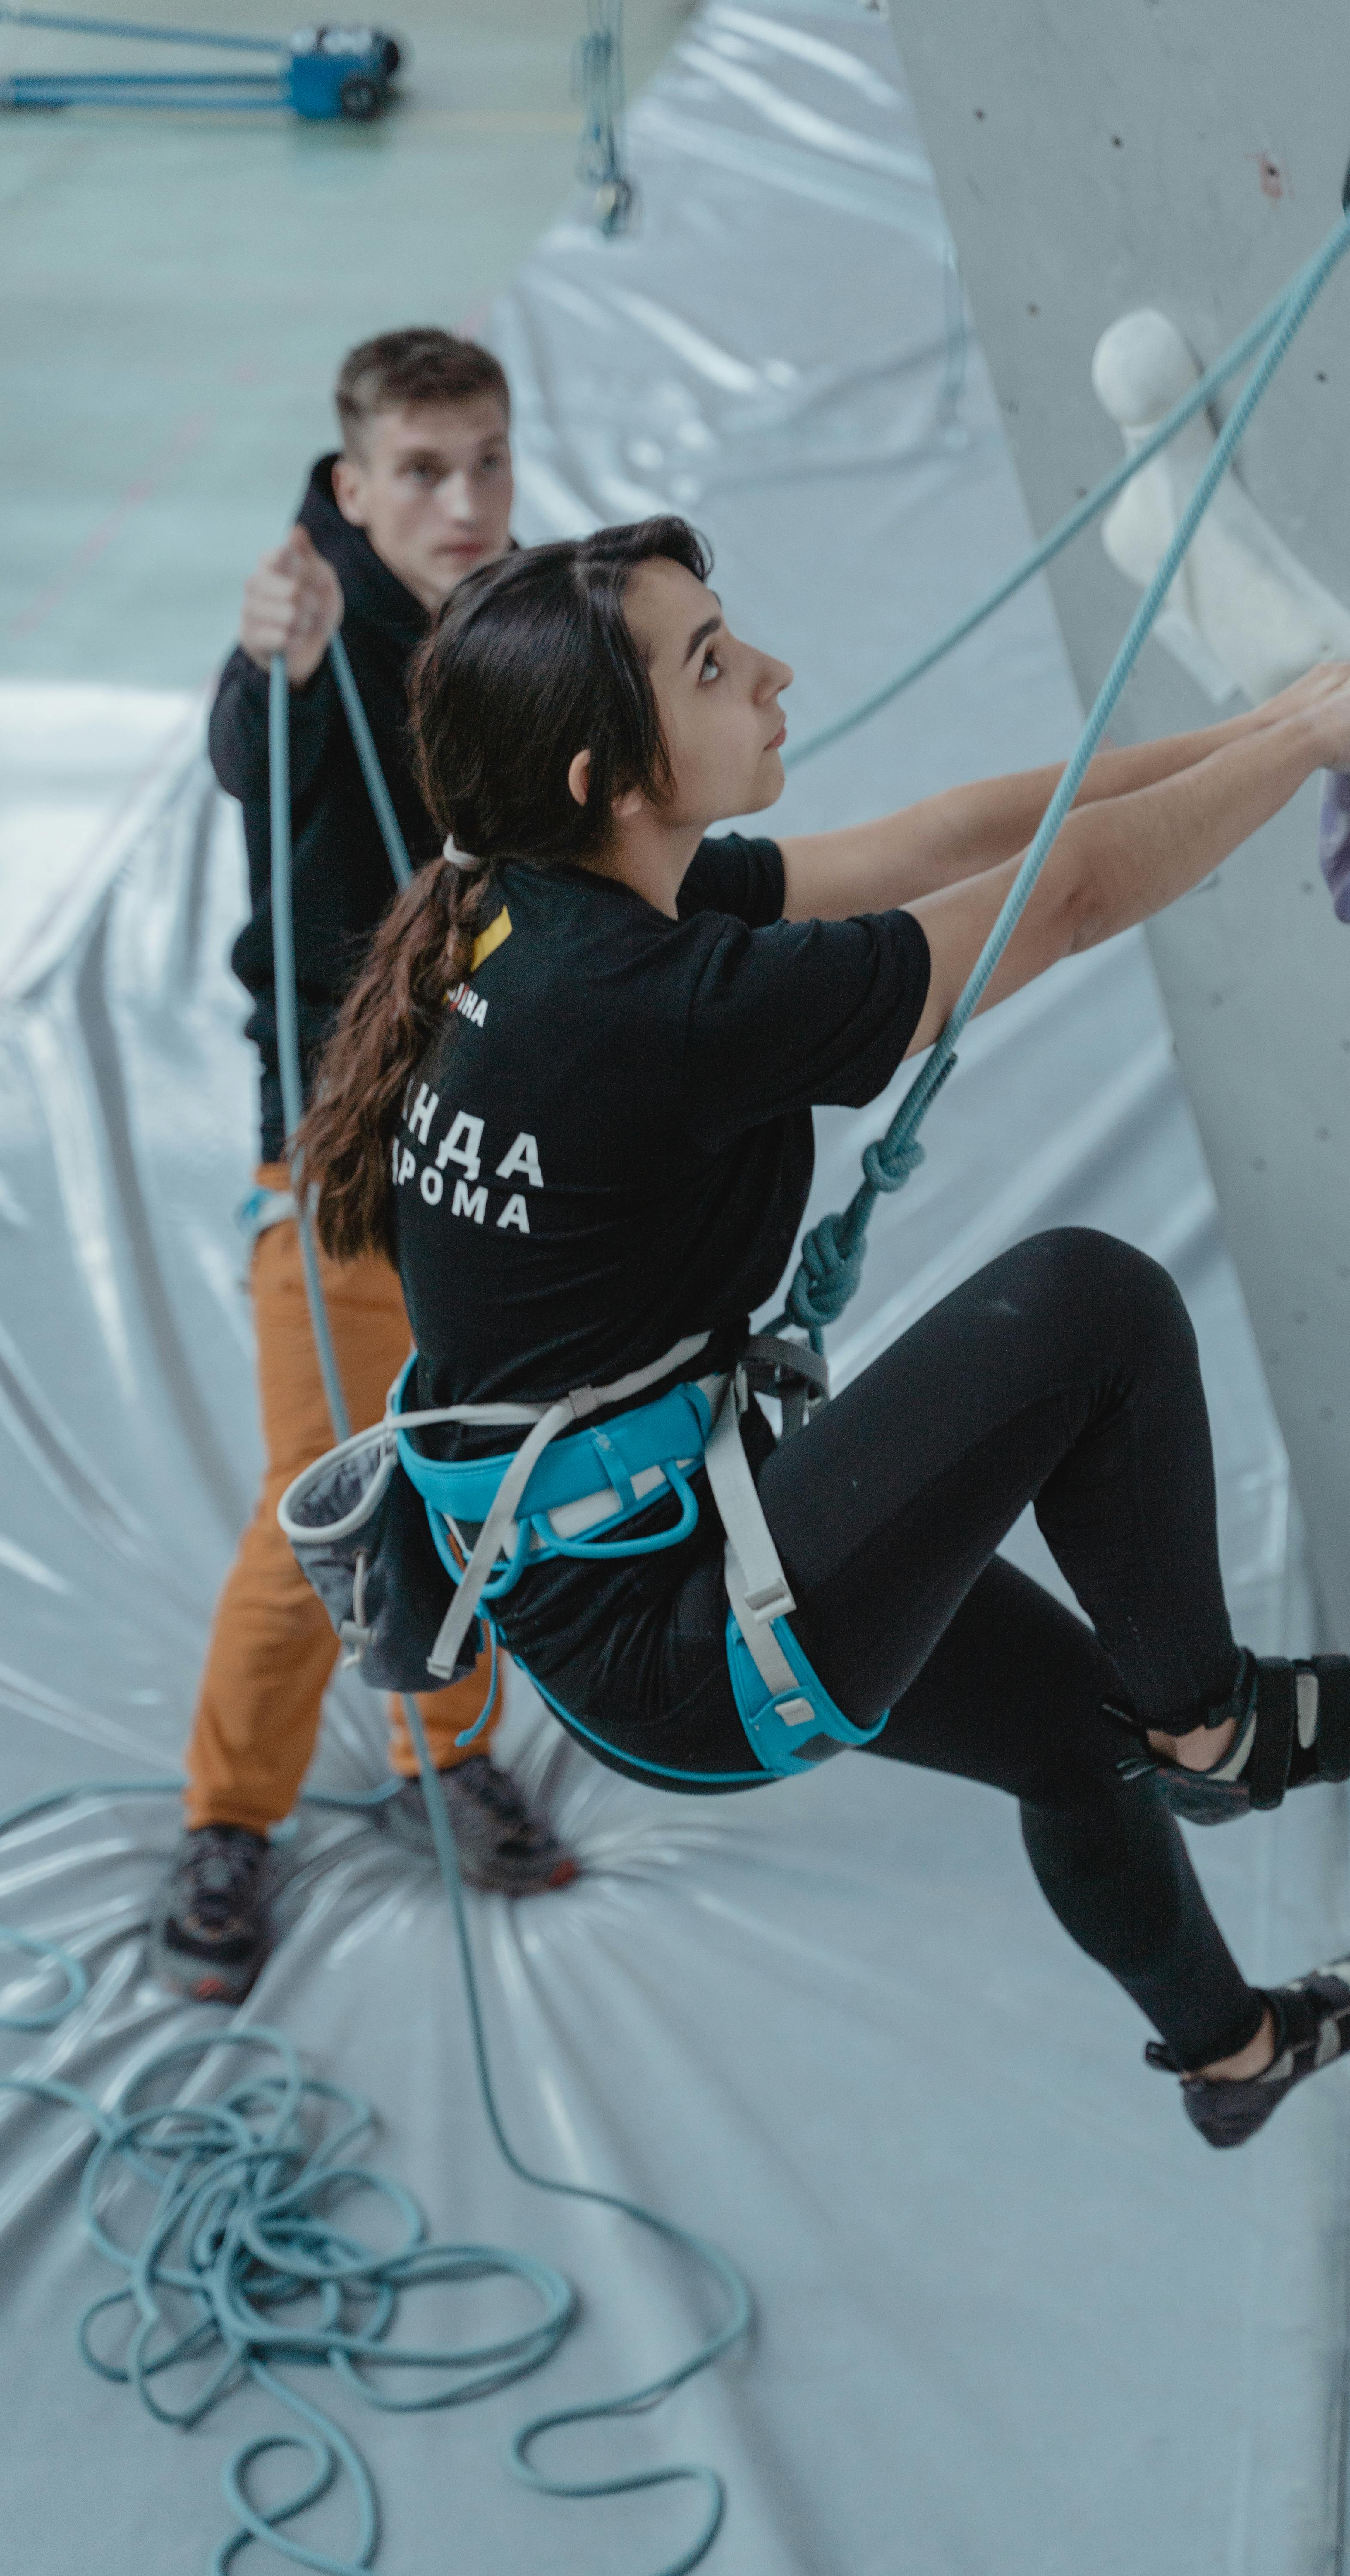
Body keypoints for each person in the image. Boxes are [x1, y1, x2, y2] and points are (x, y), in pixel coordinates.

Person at [299, 522, 1350, 2148]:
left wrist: (1281, 722)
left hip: (632, 1576)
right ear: (603, 774)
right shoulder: (651, 1007)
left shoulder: (528, 908)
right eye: (713, 663)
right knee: (1088, 1307)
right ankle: (1220, 1721)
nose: (772, 672)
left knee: (1080, 1743)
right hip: (687, 1642)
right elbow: (1053, 902)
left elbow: (952, 838)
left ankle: (1234, 2055)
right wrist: (1303, 744)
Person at [149, 331, 575, 2010]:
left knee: (461, 1479)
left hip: (496, 1136)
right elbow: (259, 752)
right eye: (421, 470)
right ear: (351, 487)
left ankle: (436, 1749)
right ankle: (230, 1819)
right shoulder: (315, 620)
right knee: (314, 1506)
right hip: (336, 1155)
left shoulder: (529, 620)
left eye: (486, 460)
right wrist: (272, 667)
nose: (462, 500)